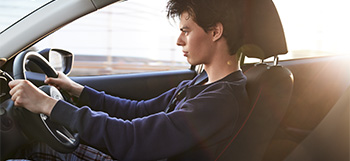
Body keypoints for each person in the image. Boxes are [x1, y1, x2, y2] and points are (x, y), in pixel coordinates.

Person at [9, 0, 249, 160]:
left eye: (186, 30)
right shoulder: (201, 83)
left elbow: (136, 138)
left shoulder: (221, 100)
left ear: (215, 32)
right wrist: (78, 90)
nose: (178, 40)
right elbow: (139, 111)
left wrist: (48, 105)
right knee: (36, 147)